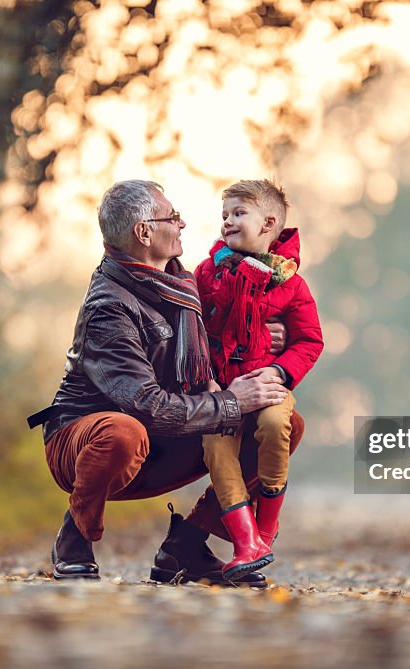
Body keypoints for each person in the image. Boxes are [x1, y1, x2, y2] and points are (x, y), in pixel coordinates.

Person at [27, 179, 304, 587]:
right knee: (123, 432)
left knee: (281, 426)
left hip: (161, 439)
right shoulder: (109, 306)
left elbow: (218, 336)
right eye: (172, 217)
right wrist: (231, 402)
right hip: (89, 439)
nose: (183, 223)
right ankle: (75, 537)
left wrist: (266, 333)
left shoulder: (183, 284)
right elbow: (146, 405)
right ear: (144, 232)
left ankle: (186, 546)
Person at [194, 179, 324, 580]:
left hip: (267, 385)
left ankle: (266, 527)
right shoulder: (207, 274)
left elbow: (309, 340)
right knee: (217, 447)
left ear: (269, 223)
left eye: (238, 214)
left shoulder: (290, 284)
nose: (227, 222)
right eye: (224, 215)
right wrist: (206, 380)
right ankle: (245, 539)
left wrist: (281, 371)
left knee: (274, 425)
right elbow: (191, 326)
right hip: (222, 389)